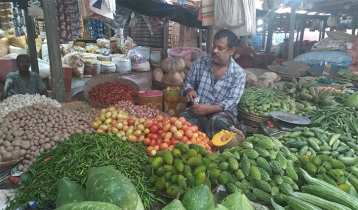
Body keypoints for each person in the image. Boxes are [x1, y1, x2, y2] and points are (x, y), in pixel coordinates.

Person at [179, 29, 246, 139]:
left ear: (231, 51)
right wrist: (190, 90)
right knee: (182, 124)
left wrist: (210, 109)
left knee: (217, 123)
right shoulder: (200, 62)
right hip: (198, 110)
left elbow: (232, 101)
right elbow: (189, 83)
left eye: (220, 48)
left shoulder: (238, 74)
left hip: (221, 114)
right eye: (214, 46)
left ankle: (231, 131)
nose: (214, 50)